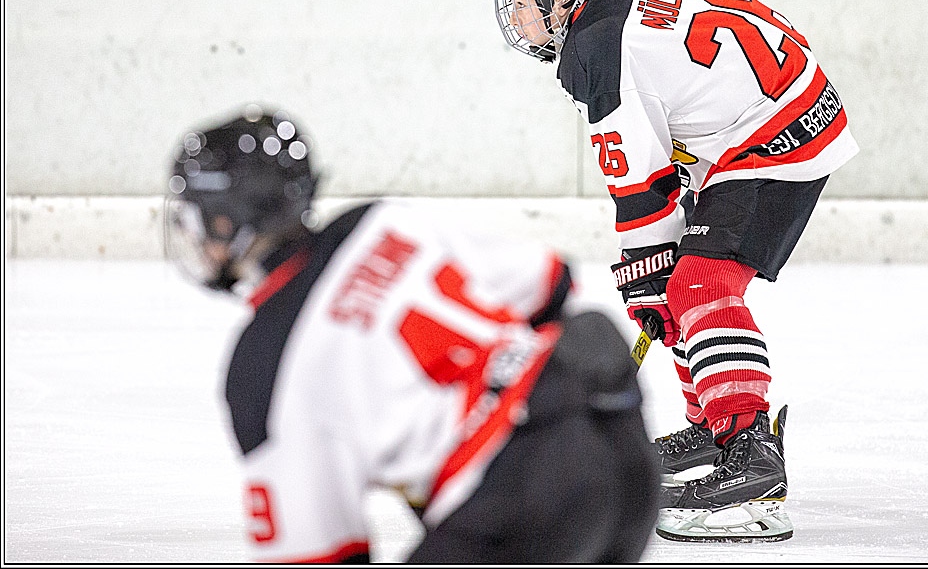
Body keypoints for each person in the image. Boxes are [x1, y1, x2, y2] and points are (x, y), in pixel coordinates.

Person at [165, 105, 658, 563]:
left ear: (226, 224)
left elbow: (322, 553)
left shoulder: (263, 366)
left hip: (522, 501)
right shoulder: (383, 219)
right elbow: (550, 282)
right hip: (622, 445)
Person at [493, 0, 858, 542]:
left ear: (559, 0)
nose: (518, 24)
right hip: (782, 107)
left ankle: (750, 454)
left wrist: (646, 277)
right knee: (680, 284)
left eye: (524, 7)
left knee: (695, 282)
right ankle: (716, 423)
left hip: (778, 135)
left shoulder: (598, 56)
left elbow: (639, 187)